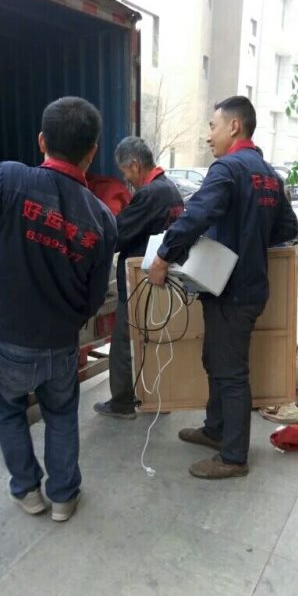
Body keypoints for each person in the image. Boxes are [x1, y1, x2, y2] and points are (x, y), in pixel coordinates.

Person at [0, 97, 117, 521]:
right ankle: (64, 497)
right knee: (61, 416)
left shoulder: (8, 179)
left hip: (7, 338)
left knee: (7, 411)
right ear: (92, 151)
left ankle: (27, 491)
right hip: (59, 343)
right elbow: (94, 298)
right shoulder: (101, 218)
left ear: (42, 141)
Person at [148, 96, 298, 479]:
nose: (208, 135)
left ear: (234, 126)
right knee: (214, 360)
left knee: (230, 372)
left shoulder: (228, 168)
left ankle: (233, 457)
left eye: (212, 126)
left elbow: (196, 214)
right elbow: (287, 227)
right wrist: (250, 238)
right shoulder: (269, 175)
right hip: (241, 288)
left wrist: (163, 257)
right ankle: (216, 430)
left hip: (232, 291)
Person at [94, 137, 183, 420]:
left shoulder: (149, 195)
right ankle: (160, 397)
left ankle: (121, 402)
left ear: (134, 164)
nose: (125, 178)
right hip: (163, 280)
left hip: (139, 282)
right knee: (156, 340)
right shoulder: (171, 190)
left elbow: (118, 235)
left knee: (124, 343)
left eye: (125, 171)